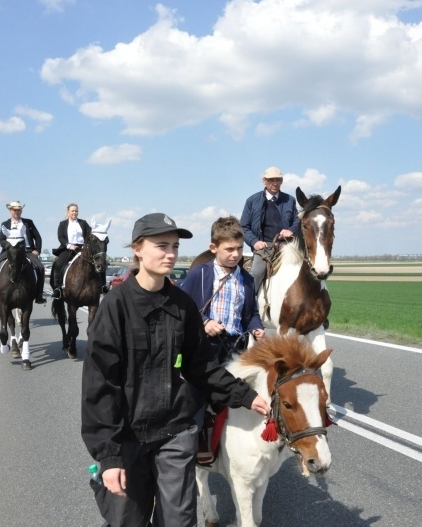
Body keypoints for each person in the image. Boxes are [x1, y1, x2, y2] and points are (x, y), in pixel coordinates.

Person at [81, 212, 270, 527]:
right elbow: (99, 386)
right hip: (129, 437)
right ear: (138, 248)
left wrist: (245, 395)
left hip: (175, 432)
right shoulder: (115, 307)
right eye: (161, 245)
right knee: (129, 520)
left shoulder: (182, 306)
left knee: (179, 521)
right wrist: (109, 457)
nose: (170, 253)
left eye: (174, 246)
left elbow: (201, 367)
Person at [180, 215, 265, 366]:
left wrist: (256, 327)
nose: (236, 254)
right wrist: (205, 322)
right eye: (229, 249)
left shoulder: (248, 280)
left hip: (237, 350)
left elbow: (252, 313)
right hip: (205, 348)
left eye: (240, 248)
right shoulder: (199, 273)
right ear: (213, 248)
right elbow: (181, 307)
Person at [239, 166, 300, 295]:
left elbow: (297, 221)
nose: (275, 183)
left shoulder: (290, 200)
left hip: (286, 245)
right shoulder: (252, 201)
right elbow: (243, 226)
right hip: (264, 247)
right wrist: (255, 242)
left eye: (278, 180)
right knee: (256, 272)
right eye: (271, 180)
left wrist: (291, 230)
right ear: (264, 181)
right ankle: (251, 305)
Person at [0, 200, 47, 305]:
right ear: (10, 211)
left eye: (18, 210)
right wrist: (8, 246)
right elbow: (1, 240)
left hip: (27, 251)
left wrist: (37, 250)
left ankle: (39, 295)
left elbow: (38, 237)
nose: (16, 212)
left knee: (40, 268)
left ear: (21, 211)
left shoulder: (28, 222)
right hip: (10, 251)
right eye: (14, 210)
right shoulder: (5, 224)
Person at [49, 203, 92, 299]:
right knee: (58, 265)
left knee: (97, 263)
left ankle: (102, 286)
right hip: (68, 249)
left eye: (76, 211)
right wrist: (69, 245)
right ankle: (57, 289)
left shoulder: (83, 223)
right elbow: (60, 237)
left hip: (82, 249)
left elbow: (90, 235)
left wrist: (86, 246)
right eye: (72, 211)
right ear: (68, 212)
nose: (75, 212)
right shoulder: (62, 224)